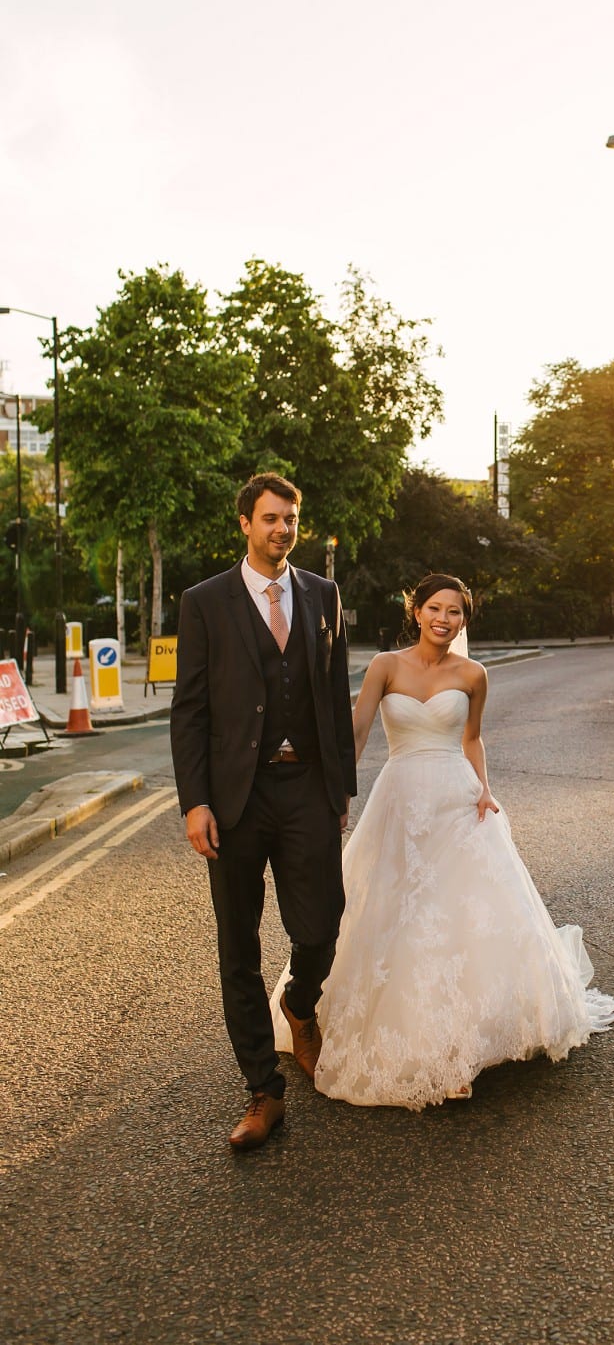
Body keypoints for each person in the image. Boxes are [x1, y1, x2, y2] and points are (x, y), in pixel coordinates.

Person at [271, 572, 614, 1109]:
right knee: (398, 914)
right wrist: (336, 793)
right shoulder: (386, 666)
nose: (443, 618)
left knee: (454, 919)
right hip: (400, 799)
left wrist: (485, 789)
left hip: (456, 801)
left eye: (454, 611)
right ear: (417, 611)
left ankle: (460, 1050)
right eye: (434, 608)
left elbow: (472, 737)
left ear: (464, 620)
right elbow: (358, 730)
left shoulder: (474, 674)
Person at [171, 473, 356, 1150]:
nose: (282, 529)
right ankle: (262, 1091)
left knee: (323, 923)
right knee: (237, 948)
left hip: (306, 785)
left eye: (290, 519)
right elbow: (189, 709)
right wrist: (195, 801)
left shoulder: (322, 595)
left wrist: (341, 789)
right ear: (245, 524)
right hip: (234, 798)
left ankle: (299, 1002)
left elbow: (334, 697)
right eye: (270, 519)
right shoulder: (205, 603)